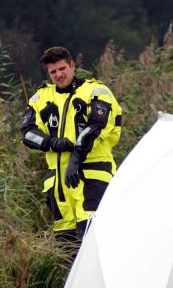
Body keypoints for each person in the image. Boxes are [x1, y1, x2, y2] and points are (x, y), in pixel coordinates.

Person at [20, 46, 122, 246]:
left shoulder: (95, 91)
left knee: (94, 246)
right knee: (66, 254)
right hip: (59, 188)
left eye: (62, 69)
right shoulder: (41, 98)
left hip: (92, 179)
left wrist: (76, 158)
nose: (59, 75)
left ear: (72, 66)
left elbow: (96, 126)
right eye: (53, 72)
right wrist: (53, 143)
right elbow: (27, 133)